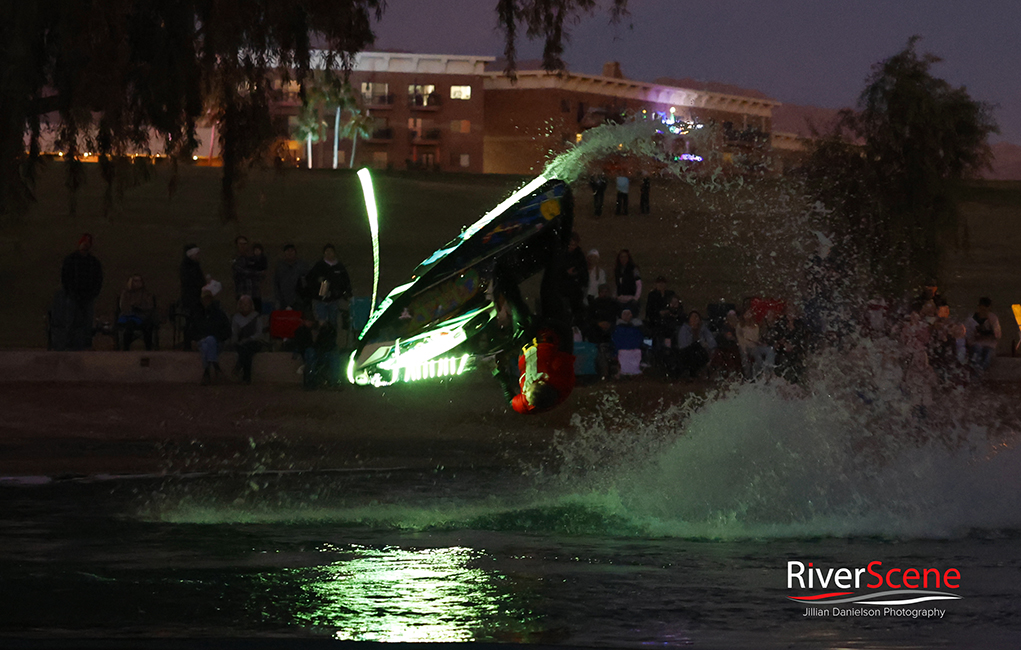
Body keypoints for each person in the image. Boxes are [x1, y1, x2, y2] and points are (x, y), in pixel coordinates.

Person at [492, 191, 576, 414]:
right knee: (548, 288)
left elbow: (512, 400)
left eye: (526, 389)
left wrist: (502, 377)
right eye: (532, 385)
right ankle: (557, 234)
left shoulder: (527, 404)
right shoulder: (562, 380)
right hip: (554, 329)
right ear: (543, 383)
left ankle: (499, 269)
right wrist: (549, 322)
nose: (528, 385)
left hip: (528, 341)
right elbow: (567, 341)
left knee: (515, 302)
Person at [58, 233, 104, 350]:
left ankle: (85, 345)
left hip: (88, 296)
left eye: (87, 244)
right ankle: (68, 345)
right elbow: (65, 276)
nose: (85, 246)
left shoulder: (93, 262)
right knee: (71, 321)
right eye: (84, 243)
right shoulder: (71, 259)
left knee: (87, 322)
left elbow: (98, 278)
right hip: (73, 295)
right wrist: (69, 291)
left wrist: (93, 293)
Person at [304, 244, 353, 333]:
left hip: (334, 300)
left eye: (331, 252)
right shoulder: (319, 266)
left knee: (333, 323)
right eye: (326, 252)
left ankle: (332, 342)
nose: (329, 254)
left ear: (334, 253)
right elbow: (310, 279)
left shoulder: (340, 267)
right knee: (321, 323)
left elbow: (346, 282)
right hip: (320, 300)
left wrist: (345, 293)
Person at [291, 313, 340, 389]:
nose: (310, 323)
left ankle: (334, 381)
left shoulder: (324, 330)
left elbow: (328, 342)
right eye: (308, 321)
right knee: (311, 354)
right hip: (310, 353)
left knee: (333, 356)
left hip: (322, 352)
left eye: (311, 321)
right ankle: (310, 382)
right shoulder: (301, 331)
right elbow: (302, 345)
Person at [192, 289, 231, 384]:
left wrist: (216, 339)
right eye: (205, 299)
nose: (206, 301)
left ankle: (206, 373)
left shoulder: (220, 314)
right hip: (202, 341)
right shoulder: (198, 315)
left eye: (208, 299)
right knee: (207, 342)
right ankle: (216, 366)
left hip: (217, 343)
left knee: (208, 343)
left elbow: (227, 331)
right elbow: (193, 331)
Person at [117, 275, 157, 350]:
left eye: (140, 281)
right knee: (129, 325)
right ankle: (126, 348)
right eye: (135, 281)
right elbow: (123, 306)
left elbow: (150, 306)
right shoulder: (126, 294)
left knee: (148, 326)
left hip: (143, 316)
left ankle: (149, 348)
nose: (138, 283)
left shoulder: (147, 294)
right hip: (128, 316)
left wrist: (139, 307)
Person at [231, 295, 263, 384]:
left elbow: (259, 333)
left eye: (247, 304)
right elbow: (234, 333)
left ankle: (240, 366)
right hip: (241, 343)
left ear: (251, 305)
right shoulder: (236, 317)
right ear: (239, 305)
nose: (245, 306)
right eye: (243, 304)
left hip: (254, 342)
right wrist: (236, 342)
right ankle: (246, 377)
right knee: (246, 351)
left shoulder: (256, 316)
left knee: (247, 348)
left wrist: (249, 339)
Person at [179, 244, 206, 351]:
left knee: (194, 321)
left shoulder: (194, 265)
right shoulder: (187, 266)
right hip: (191, 298)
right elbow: (191, 281)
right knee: (191, 321)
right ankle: (188, 345)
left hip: (195, 297)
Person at [964, 297, 1001, 372]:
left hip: (989, 345)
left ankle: (979, 373)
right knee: (977, 353)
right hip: (975, 344)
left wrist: (990, 330)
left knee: (987, 357)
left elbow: (998, 335)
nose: (984, 312)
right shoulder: (971, 320)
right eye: (982, 309)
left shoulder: (993, 319)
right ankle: (975, 373)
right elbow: (968, 336)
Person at [677, 311, 717, 379]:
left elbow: (712, 343)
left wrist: (706, 344)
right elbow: (682, 345)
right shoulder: (684, 329)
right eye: (692, 317)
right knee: (695, 347)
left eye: (696, 317)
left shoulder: (703, 329)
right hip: (687, 354)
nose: (694, 319)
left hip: (701, 353)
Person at [562, 232, 588, 325]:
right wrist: (566, 272)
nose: (572, 247)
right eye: (570, 244)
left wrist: (577, 272)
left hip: (575, 286)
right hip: (562, 286)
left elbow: (583, 269)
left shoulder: (579, 254)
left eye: (574, 245)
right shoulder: (561, 253)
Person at [273, 244, 310, 311]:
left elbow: (307, 282)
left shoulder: (302, 265)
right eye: (287, 251)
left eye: (292, 251)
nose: (290, 253)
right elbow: (276, 283)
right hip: (283, 299)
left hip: (299, 300)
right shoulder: (280, 266)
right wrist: (278, 297)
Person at [611, 308, 644, 377]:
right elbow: (616, 340)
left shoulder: (637, 327)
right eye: (624, 314)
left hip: (635, 350)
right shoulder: (617, 328)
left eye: (628, 314)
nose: (626, 316)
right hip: (622, 350)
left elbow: (639, 339)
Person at [613, 249, 642, 316]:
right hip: (620, 299)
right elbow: (617, 285)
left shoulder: (634, 269)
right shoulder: (618, 270)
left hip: (631, 299)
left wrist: (636, 298)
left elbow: (639, 284)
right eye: (621, 257)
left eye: (625, 257)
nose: (623, 259)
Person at [250, 243, 269, 312]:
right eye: (255, 250)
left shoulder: (263, 259)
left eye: (258, 250)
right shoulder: (251, 259)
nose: (257, 252)